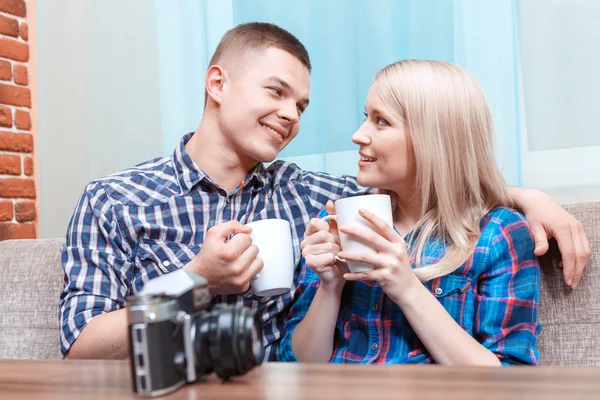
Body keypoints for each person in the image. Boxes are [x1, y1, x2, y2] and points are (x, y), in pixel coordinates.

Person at [59, 23, 590, 361]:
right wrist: (197, 279)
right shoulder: (115, 200)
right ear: (217, 84)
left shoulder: (307, 192)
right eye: (276, 92)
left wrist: (522, 195)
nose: (291, 115)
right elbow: (80, 348)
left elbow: (430, 178)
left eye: (302, 106)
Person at [279, 60, 542, 365]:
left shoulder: (498, 235)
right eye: (367, 117)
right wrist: (330, 285)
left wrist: (406, 287)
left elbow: (510, 379)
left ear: (434, 139)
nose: (358, 135)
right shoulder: (340, 224)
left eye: (381, 121)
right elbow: (298, 366)